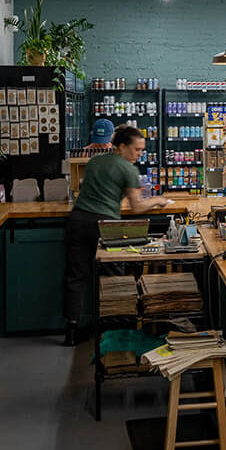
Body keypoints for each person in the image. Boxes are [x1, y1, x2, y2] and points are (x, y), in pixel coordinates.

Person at [64, 125, 170, 345]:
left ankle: (72, 330)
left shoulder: (95, 161)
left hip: (78, 221)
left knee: (76, 276)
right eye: (136, 149)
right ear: (121, 147)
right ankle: (114, 329)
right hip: (104, 226)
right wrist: (158, 200)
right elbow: (136, 207)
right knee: (114, 276)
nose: (139, 154)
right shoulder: (128, 169)